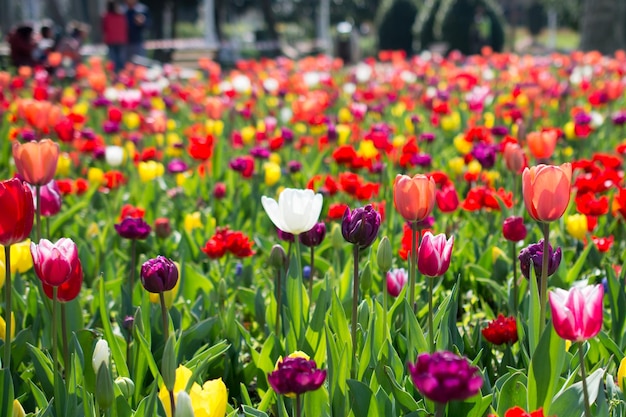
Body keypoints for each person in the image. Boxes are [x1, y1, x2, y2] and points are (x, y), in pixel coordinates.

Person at [102, 1, 128, 72]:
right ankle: (120, 75)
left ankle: (118, 75)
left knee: (115, 60)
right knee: (118, 60)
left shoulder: (107, 16)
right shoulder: (120, 16)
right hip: (118, 40)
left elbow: (104, 29)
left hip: (114, 41)